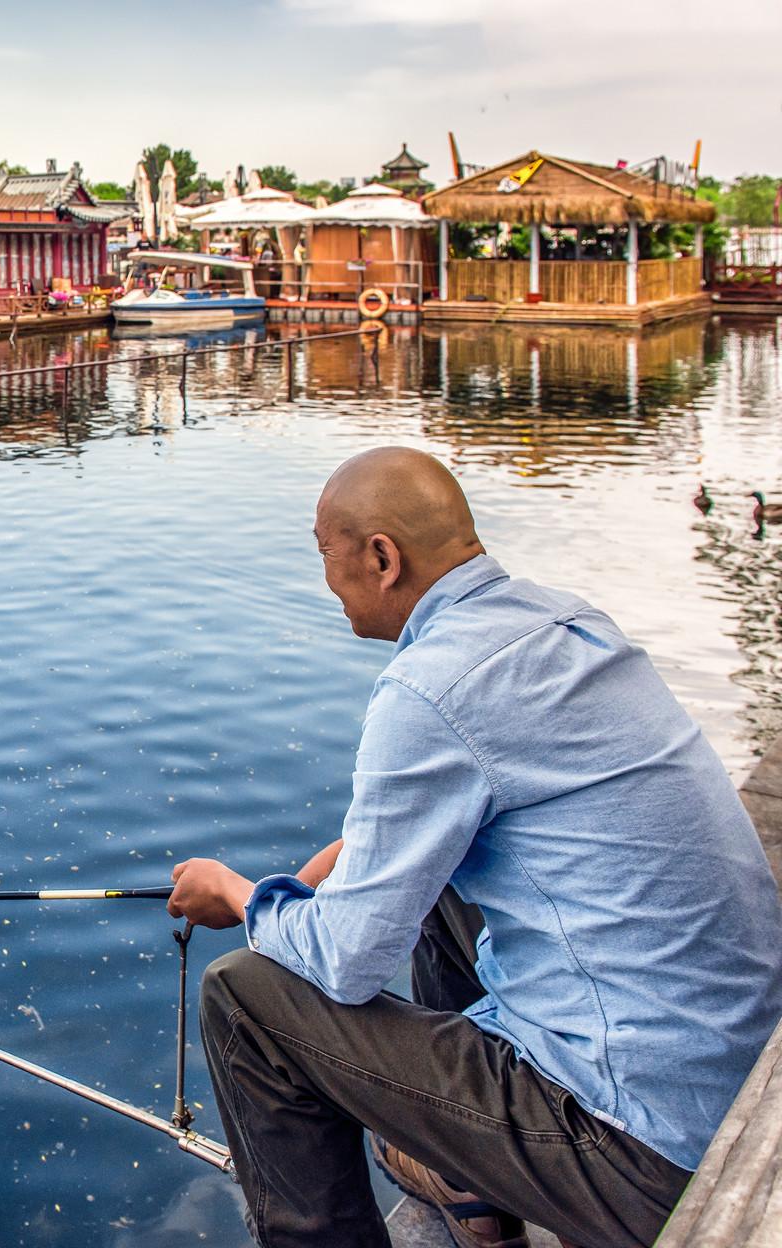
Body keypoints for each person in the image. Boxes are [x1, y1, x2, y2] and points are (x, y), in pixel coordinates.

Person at [167, 447, 782, 1248]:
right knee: (439, 878)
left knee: (246, 996)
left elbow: (347, 960)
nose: (327, 582)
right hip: (728, 1071)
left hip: (648, 1151)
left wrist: (243, 897)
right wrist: (309, 880)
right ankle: (472, 1181)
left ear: (381, 558)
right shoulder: (564, 622)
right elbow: (411, 830)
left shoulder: (428, 687)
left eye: (326, 555)